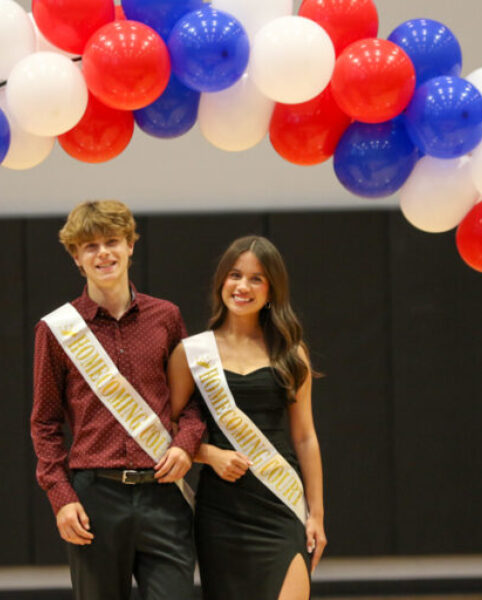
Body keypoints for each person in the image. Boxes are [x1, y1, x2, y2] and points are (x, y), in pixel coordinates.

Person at [30, 200, 205, 600]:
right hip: (95, 498)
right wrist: (61, 498)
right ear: (76, 257)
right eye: (90, 246)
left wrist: (185, 444)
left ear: (130, 246)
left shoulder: (166, 317)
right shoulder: (56, 330)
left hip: (164, 493)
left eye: (112, 241)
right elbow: (44, 423)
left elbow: (193, 403)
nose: (103, 252)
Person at [168, 235, 326, 600]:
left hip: (280, 501)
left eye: (257, 278)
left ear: (272, 290)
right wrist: (210, 455)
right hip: (221, 510)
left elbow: (305, 436)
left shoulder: (291, 351)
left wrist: (316, 514)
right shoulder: (191, 353)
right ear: (221, 281)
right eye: (235, 275)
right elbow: (168, 431)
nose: (243, 286)